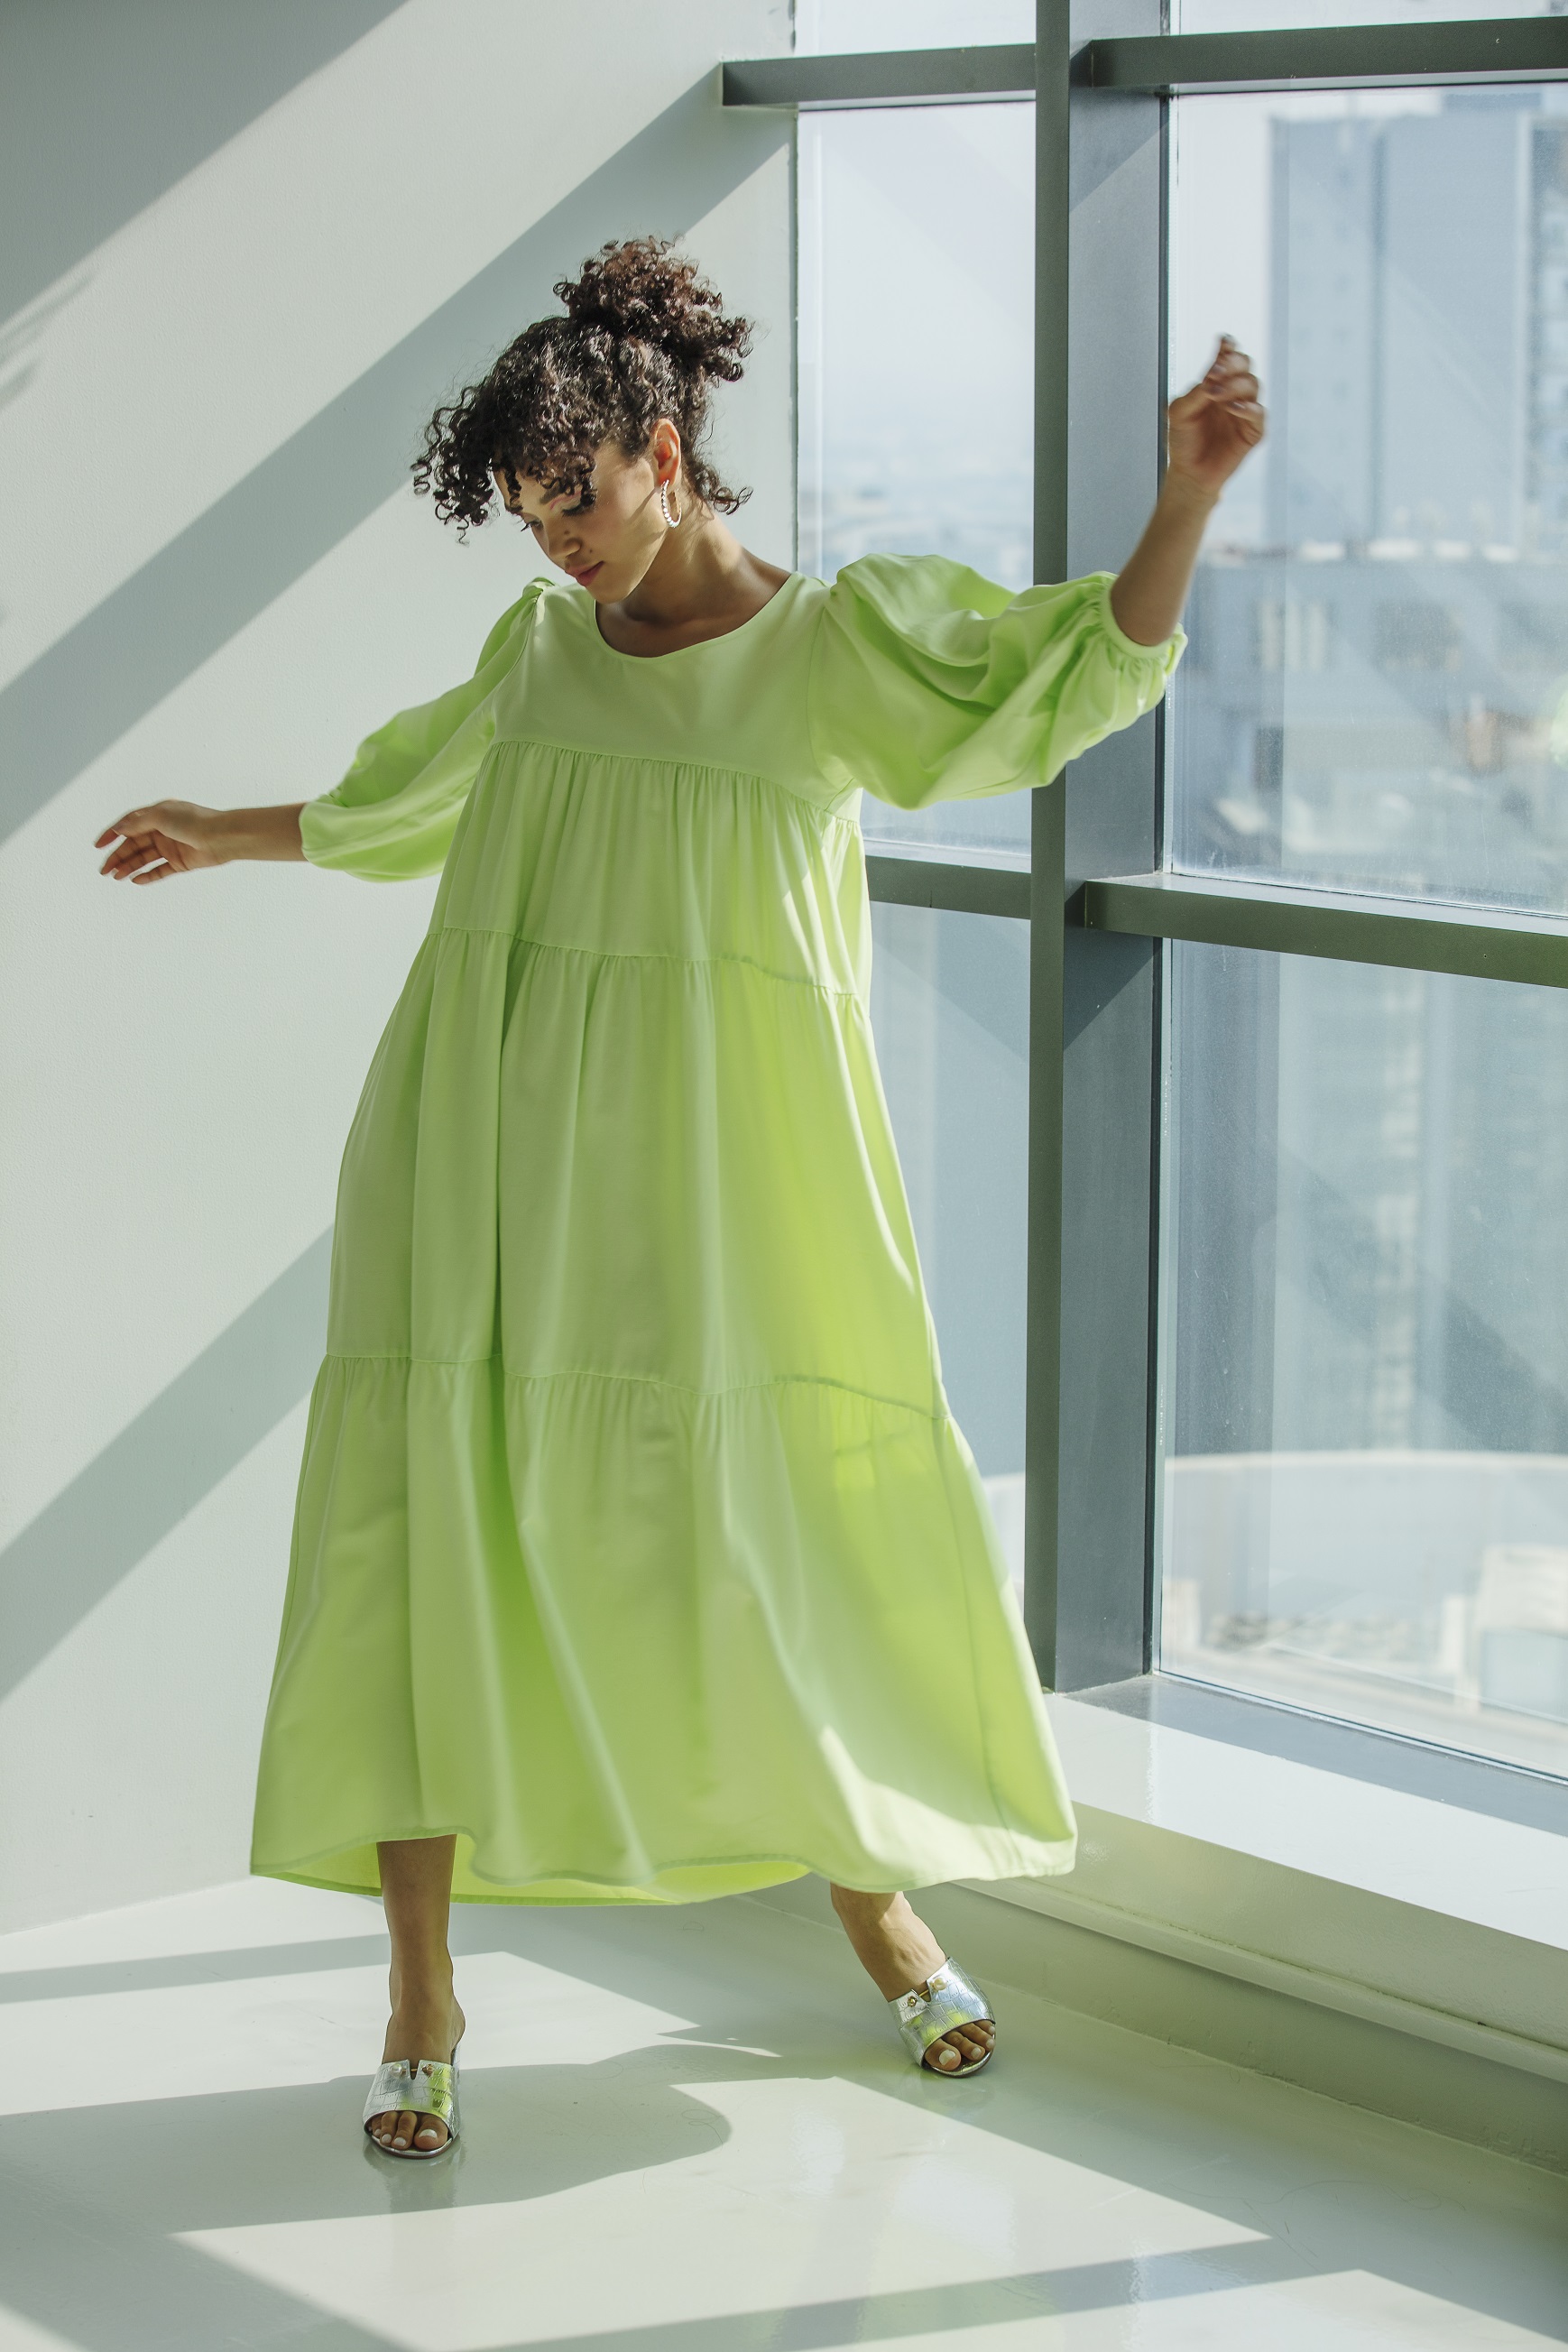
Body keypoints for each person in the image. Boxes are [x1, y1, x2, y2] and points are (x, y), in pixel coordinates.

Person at [96, 240, 1263, 2157]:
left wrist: (1183, 502)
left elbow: (1056, 680)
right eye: (529, 517)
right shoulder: (541, 655)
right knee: (429, 1522)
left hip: (734, 1153)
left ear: (662, 452)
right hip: (482, 1133)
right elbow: (404, 803)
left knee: (769, 1513)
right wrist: (226, 829)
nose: (558, 546)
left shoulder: (830, 648)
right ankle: (418, 1986)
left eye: (574, 499)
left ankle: (876, 1903)